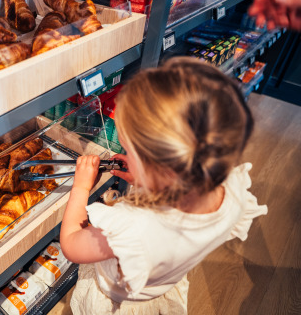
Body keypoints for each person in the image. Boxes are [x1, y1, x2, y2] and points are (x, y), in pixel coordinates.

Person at [59, 57, 268, 314]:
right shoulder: (232, 192)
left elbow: (71, 244)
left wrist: (80, 187)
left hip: (120, 300)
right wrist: (143, 178)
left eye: (130, 150)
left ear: (159, 168)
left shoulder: (135, 227)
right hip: (162, 284)